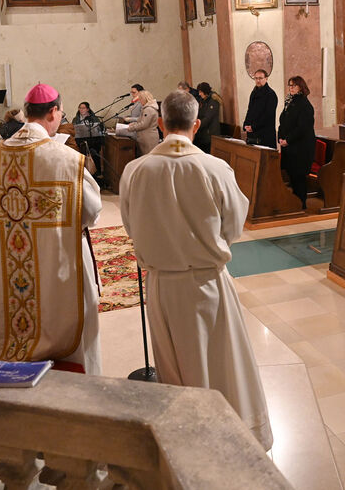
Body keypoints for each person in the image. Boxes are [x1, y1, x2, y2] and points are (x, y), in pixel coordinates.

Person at [119, 90, 272, 450]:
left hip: (162, 285)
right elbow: (233, 226)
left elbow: (130, 225)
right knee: (222, 365)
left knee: (175, 370)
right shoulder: (215, 168)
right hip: (208, 282)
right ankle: (233, 439)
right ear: (197, 124)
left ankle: (187, 443)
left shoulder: (135, 171)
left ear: (160, 123)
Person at [0, 84, 104, 373]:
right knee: (76, 337)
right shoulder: (66, 159)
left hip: (11, 266)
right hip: (58, 260)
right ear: (52, 112)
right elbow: (92, 211)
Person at [278, 76, 315, 207]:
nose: (291, 88)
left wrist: (288, 140)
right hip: (289, 146)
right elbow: (283, 121)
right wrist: (280, 137)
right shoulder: (290, 101)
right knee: (292, 175)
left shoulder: (304, 105)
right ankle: (295, 202)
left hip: (301, 147)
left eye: (294, 85)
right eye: (290, 85)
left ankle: (301, 203)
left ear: (301, 87)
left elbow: (302, 128)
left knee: (299, 176)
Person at [243, 69, 278, 147]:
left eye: (260, 78)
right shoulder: (254, 93)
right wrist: (246, 124)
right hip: (252, 133)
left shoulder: (271, 94)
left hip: (265, 134)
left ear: (266, 78)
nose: (258, 80)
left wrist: (253, 127)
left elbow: (268, 116)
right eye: (256, 78)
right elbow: (250, 110)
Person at [72, 102, 105, 182]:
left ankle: (96, 174)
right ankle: (82, 175)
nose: (81, 110)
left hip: (93, 141)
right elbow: (73, 131)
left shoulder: (94, 118)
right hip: (80, 141)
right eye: (80, 108)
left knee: (94, 151)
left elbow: (99, 131)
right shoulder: (76, 119)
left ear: (87, 109)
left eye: (83, 108)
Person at [127, 90, 160, 155]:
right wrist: (133, 124)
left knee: (147, 157)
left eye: (140, 99)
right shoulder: (147, 108)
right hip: (145, 137)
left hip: (148, 138)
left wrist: (130, 128)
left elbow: (144, 124)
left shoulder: (149, 109)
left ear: (144, 98)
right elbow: (141, 121)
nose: (139, 101)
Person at [194, 82, 221, 153]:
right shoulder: (203, 100)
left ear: (205, 91)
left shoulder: (213, 101)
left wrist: (196, 125)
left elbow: (207, 118)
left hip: (210, 133)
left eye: (200, 92)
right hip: (203, 133)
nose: (199, 94)